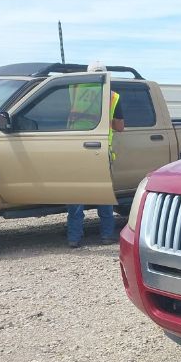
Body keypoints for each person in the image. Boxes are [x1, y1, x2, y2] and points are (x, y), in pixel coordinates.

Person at [66, 72, 124, 248]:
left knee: (76, 196)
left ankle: (74, 238)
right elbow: (120, 127)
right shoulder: (113, 96)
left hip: (75, 149)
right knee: (103, 196)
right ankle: (106, 235)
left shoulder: (72, 89)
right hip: (99, 150)